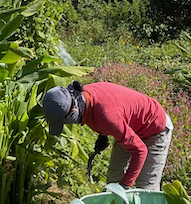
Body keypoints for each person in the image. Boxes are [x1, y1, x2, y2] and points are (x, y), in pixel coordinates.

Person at [41, 81, 173, 191]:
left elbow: (140, 150)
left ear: (73, 112)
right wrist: (103, 134)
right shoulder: (81, 98)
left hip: (155, 128)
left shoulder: (107, 117)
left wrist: (124, 186)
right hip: (128, 127)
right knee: (113, 179)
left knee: (145, 189)